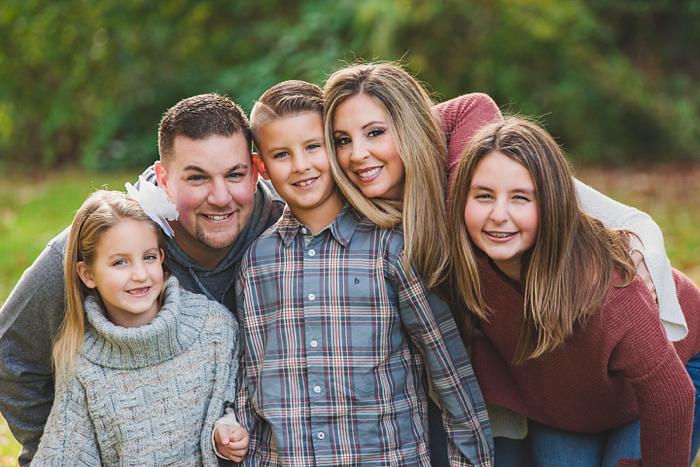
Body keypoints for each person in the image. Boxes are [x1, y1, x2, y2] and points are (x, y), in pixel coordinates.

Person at [322, 61, 687, 465]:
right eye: (341, 140)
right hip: (567, 391)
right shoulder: (368, 218)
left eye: (375, 132)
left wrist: (640, 256)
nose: (357, 154)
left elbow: (470, 108)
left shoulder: (472, 184)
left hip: (662, 360)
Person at [215, 80, 493, 465]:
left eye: (313, 147)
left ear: (333, 147)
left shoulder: (392, 248)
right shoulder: (257, 263)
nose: (300, 166)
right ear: (262, 168)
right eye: (282, 154)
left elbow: (451, 380)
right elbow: (255, 381)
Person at [0, 93, 284, 465]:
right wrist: (60, 443)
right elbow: (11, 353)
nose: (220, 197)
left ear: (255, 169)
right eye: (197, 177)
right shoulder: (109, 242)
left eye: (235, 175)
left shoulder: (287, 230)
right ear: (164, 178)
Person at [447, 116, 700, 467]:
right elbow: (463, 107)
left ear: (552, 203)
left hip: (671, 368)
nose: (498, 215)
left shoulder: (607, 287)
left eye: (521, 198)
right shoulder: (466, 254)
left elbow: (672, 396)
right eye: (484, 196)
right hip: (571, 399)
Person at [29, 189, 248, 465]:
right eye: (120, 262)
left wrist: (227, 429)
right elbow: (65, 454)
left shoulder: (214, 329)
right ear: (88, 274)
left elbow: (236, 399)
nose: (140, 275)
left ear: (161, 258)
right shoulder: (82, 363)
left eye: (149, 257)